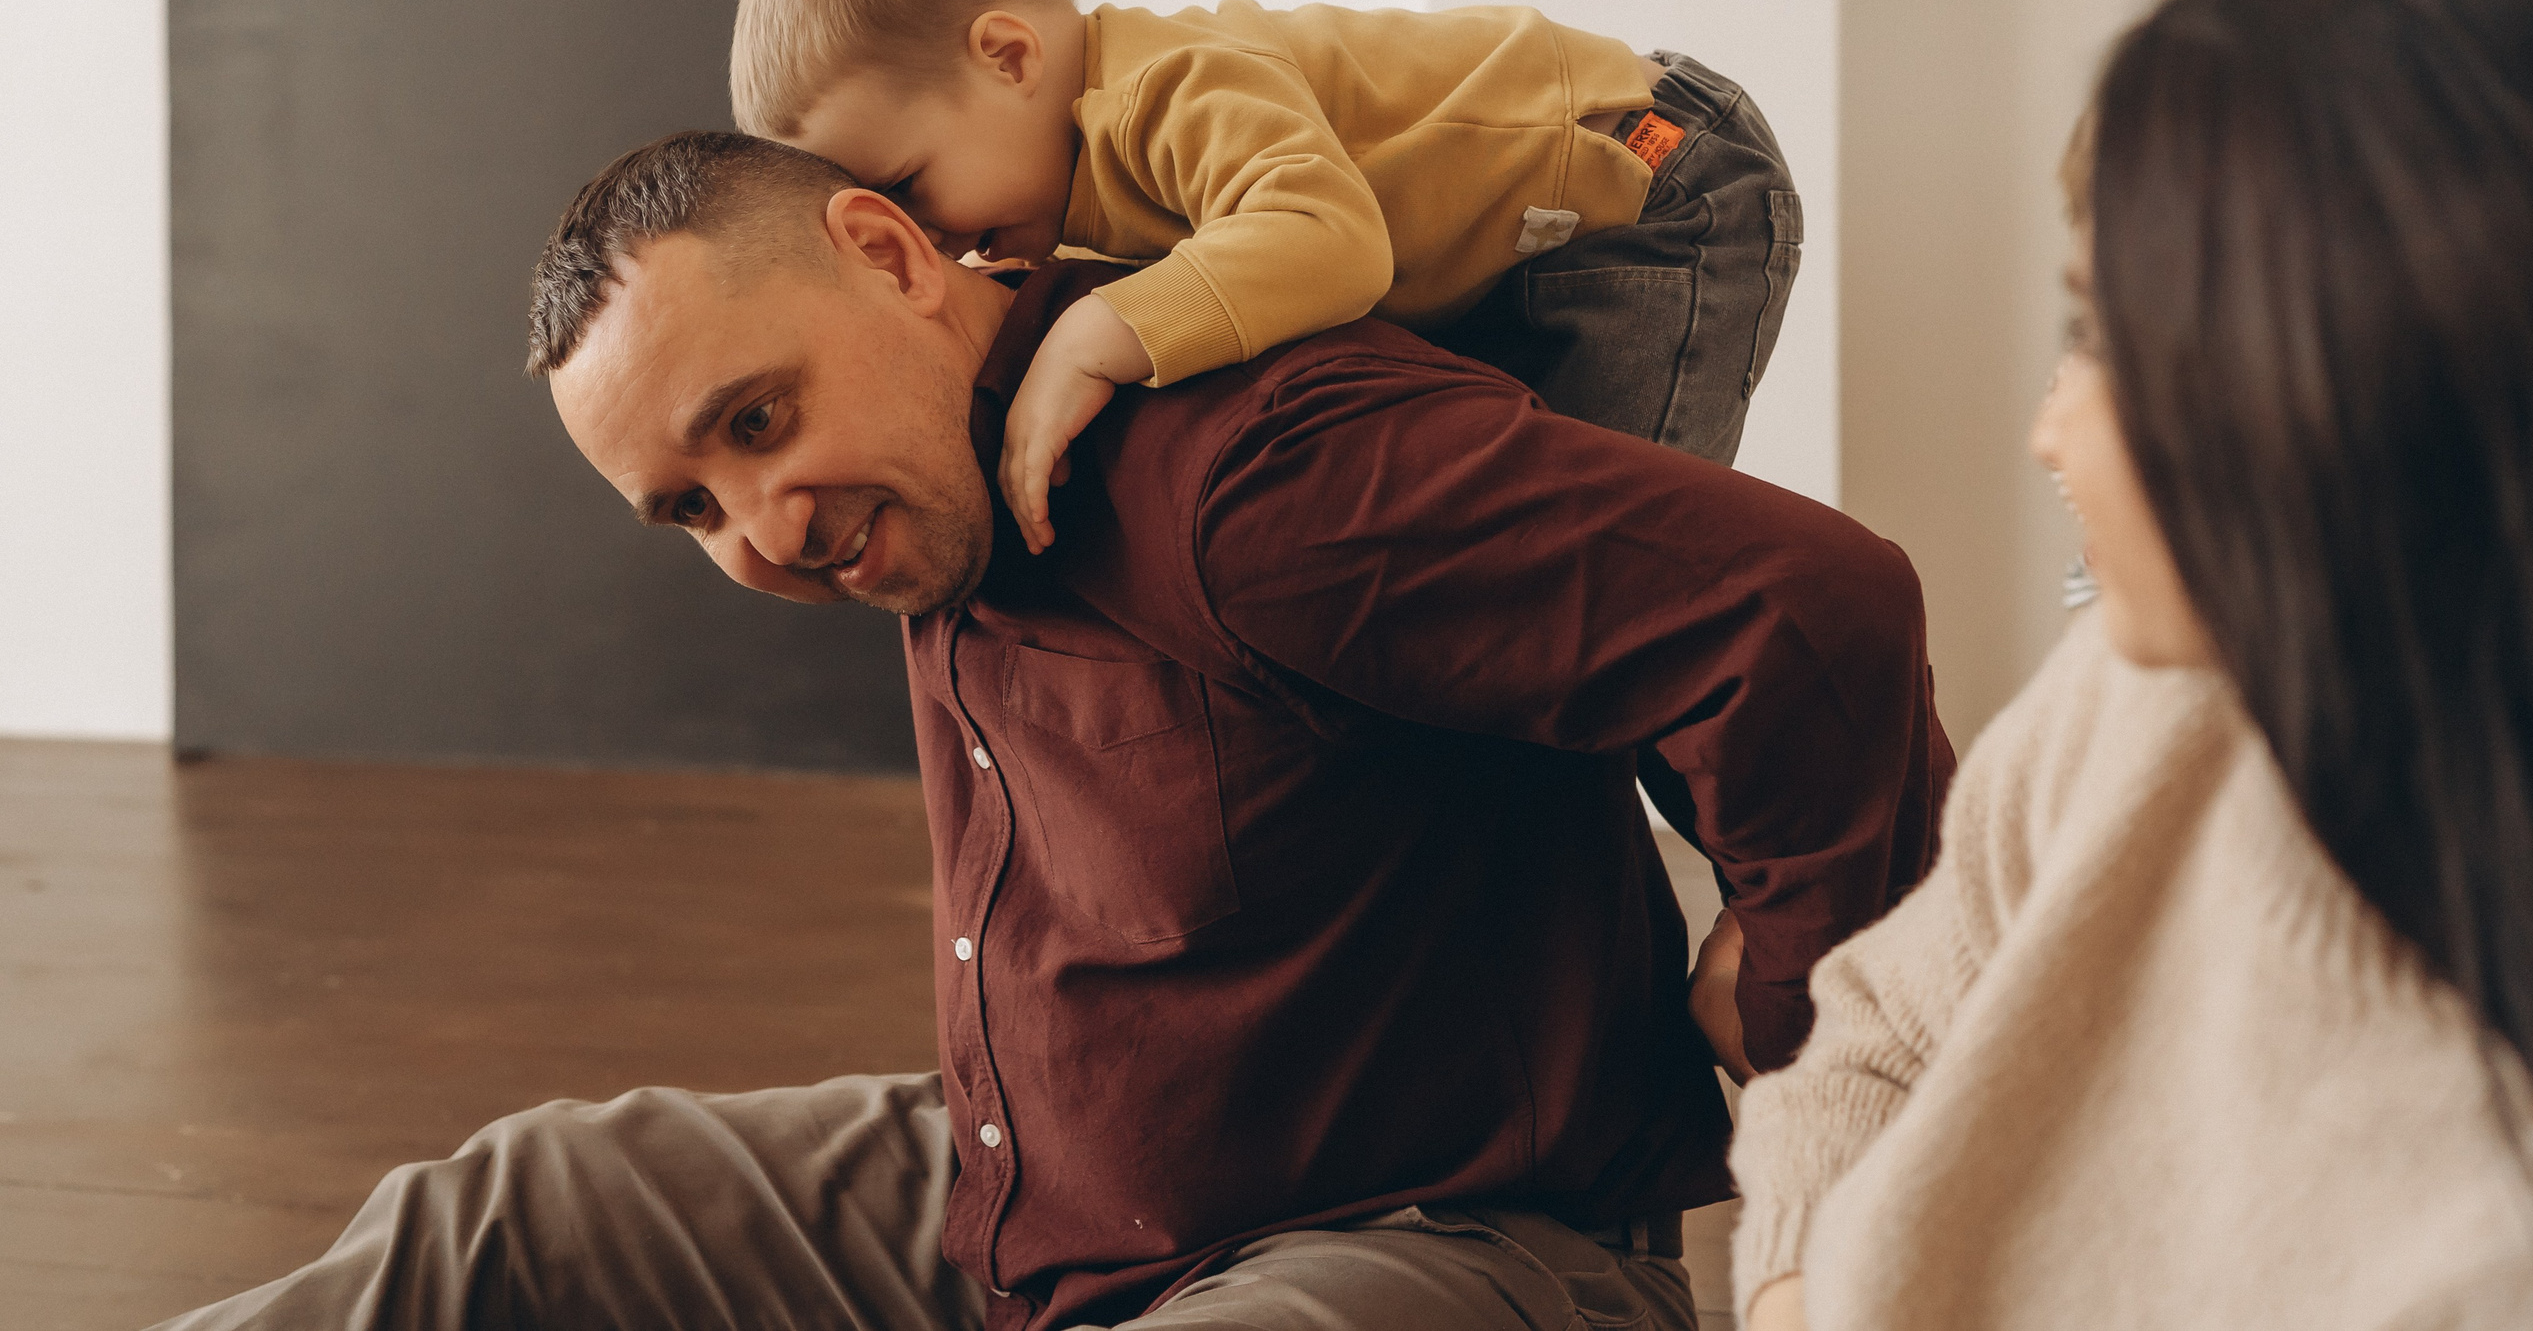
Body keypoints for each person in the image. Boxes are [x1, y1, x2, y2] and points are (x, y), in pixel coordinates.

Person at [152, 129, 1953, 1330]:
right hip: (1054, 1196)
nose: (763, 528)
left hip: (1434, 1246)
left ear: (884, 250)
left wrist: (1803, 1005)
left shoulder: (1254, 472)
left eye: (759, 419)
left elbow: (1811, 610)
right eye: (691, 510)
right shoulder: (936, 494)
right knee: (511, 1213)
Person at [1729, 0, 2533, 1329]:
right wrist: (1799, 1286)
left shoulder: (2496, 1242)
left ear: (2335, 399)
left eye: (2106, 340)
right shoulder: (2140, 692)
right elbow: (1871, 1036)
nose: (2052, 430)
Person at [729, 0, 1803, 553]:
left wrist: (1092, 336)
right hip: (1527, 246)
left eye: (912, 188)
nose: (935, 237)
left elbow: (1329, 241)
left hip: (1652, 173)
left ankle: (1781, 862)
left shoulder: (1167, 86)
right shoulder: (1066, 180)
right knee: (1493, 548)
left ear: (1007, 56)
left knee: (1616, 555)